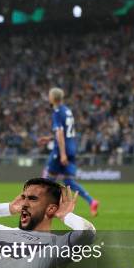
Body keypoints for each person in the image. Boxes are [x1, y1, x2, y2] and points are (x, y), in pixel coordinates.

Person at [39, 88, 99, 216]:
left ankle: (43, 207)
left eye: (49, 95)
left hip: (61, 150)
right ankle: (91, 201)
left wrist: (62, 153)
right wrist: (50, 138)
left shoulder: (56, 111)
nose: (48, 97)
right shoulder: (67, 110)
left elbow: (60, 133)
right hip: (72, 147)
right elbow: (66, 132)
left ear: (53, 98)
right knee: (68, 181)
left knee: (47, 178)